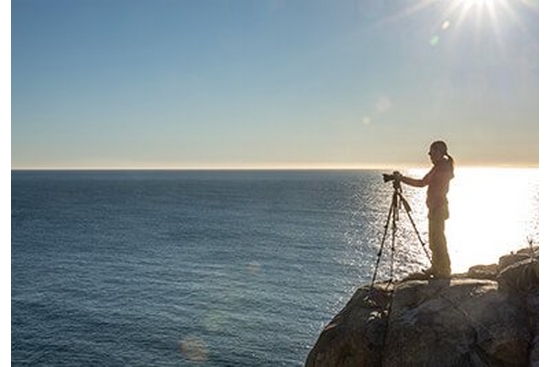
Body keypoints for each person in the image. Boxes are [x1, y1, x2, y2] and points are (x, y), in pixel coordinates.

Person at [395, 141, 454, 278]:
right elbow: (422, 182)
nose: (430, 155)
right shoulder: (439, 167)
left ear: (439, 152)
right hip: (435, 207)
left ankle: (444, 270)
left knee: (438, 239)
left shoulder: (443, 168)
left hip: (438, 207)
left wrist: (402, 178)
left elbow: (424, 183)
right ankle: (436, 267)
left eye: (432, 152)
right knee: (434, 239)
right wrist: (402, 179)